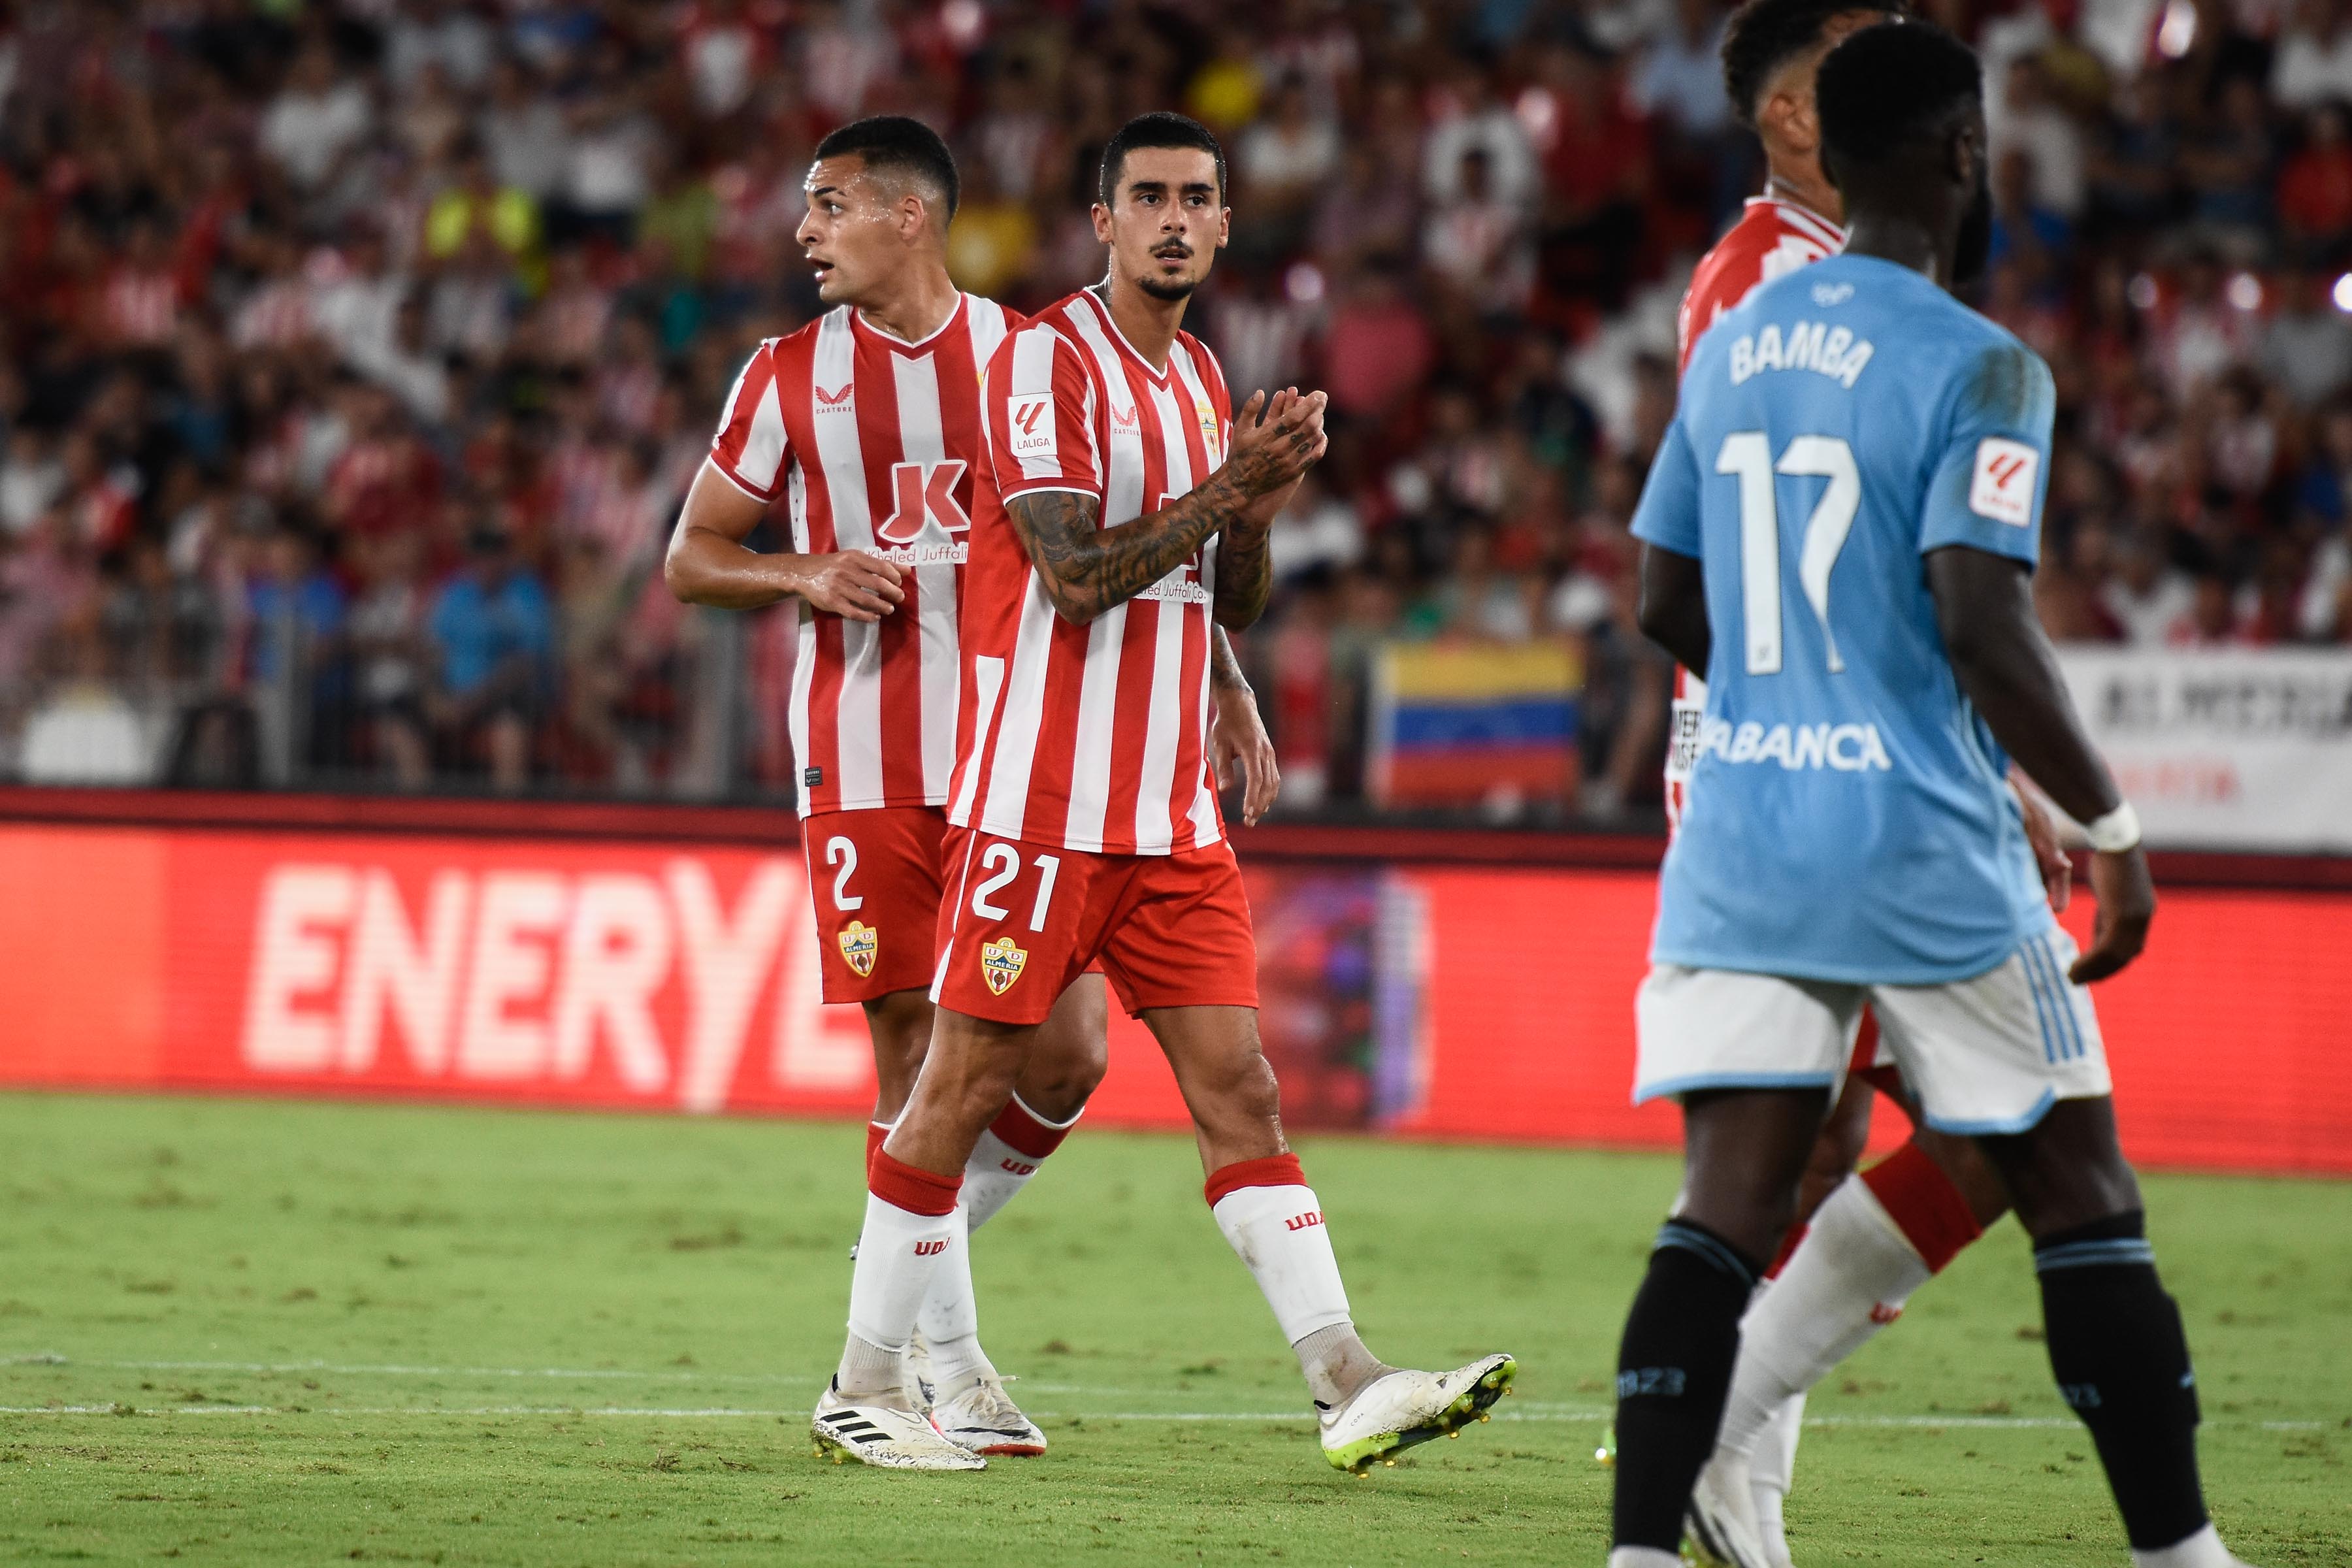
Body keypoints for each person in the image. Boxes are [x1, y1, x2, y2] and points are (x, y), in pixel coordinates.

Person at [1614, 22, 2256, 1568]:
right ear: (1963, 156)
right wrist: (2100, 820)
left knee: (1750, 1190)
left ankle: (1671, 1511)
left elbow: (1664, 596)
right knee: (2067, 1172)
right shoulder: (1967, 353)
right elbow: (1978, 615)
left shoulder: (1736, 333)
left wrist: (1790, 701)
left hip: (1754, 819)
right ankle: (2178, 1552)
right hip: (1901, 822)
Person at [812, 111, 1514, 1473]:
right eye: (1151, 198)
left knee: (1240, 1090)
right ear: (1105, 220)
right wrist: (1224, 492)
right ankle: (865, 1379)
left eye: (1200, 197)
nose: (1177, 219)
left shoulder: (1200, 378)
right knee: (956, 1086)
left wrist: (1248, 522)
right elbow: (1075, 574)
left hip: (1168, 816)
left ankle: (1347, 1377)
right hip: (1040, 800)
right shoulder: (1041, 363)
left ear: (1228, 222)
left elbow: (1218, 589)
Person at [667, 116, 1287, 1460]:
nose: (803, 233)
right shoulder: (784, 377)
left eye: (827, 207)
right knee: (916, 1060)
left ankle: (894, 1283)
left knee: (1066, 1055)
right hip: (871, 756)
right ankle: (937, 1368)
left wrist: (1222, 678)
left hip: (1025, 757)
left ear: (908, 214)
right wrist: (803, 573)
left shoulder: (1032, 351)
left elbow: (1127, 520)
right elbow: (692, 557)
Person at [1669, 6, 2071, 1557]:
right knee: (1880, 1130)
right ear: (1790, 117)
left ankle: (1723, 1439)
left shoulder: (1827, 280)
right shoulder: (1779, 283)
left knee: (1891, 1131)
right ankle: (1727, 1459)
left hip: (1847, 748)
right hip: (1805, 758)